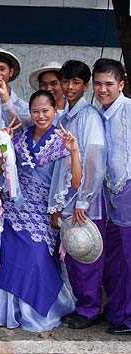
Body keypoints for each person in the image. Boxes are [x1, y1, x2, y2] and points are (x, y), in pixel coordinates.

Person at [0, 90, 80, 332]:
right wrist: (2, 145)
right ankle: (7, 313)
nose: (41, 116)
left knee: (36, 257)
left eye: (46, 111)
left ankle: (37, 311)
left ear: (55, 111)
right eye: (35, 111)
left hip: (44, 211)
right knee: (7, 256)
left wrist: (73, 151)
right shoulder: (19, 138)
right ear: (29, 113)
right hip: (12, 209)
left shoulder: (62, 140)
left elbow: (75, 183)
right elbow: (2, 172)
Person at [49, 60, 107, 330]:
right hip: (68, 198)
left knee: (87, 255)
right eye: (66, 81)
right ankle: (80, 305)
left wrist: (85, 198)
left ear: (86, 87)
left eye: (76, 83)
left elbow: (94, 160)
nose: (69, 87)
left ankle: (90, 309)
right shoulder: (63, 117)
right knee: (72, 252)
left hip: (86, 201)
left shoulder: (90, 117)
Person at [92, 58, 131, 335]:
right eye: (98, 84)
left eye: (109, 84)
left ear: (121, 84)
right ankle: (118, 311)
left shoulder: (128, 110)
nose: (103, 89)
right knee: (116, 259)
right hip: (111, 196)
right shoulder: (99, 114)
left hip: (129, 189)